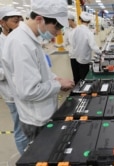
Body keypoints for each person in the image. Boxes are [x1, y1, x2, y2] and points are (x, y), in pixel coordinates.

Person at [2, 0, 75, 143]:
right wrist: (58, 85)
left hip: (43, 112)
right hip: (36, 119)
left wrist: (56, 79)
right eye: (57, 26)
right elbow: (28, 91)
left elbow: (41, 72)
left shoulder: (30, 39)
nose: (59, 32)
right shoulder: (20, 43)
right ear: (40, 19)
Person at [0, 6, 29, 155]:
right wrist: (12, 71)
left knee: (30, 125)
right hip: (11, 93)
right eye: (14, 21)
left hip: (27, 90)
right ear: (2, 22)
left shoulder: (20, 38)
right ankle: (25, 157)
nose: (18, 25)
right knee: (20, 128)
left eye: (19, 21)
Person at [71, 12, 102, 83]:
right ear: (89, 21)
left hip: (76, 56)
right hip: (84, 58)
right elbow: (93, 45)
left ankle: (78, 89)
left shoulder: (75, 30)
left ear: (80, 20)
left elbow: (72, 43)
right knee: (85, 76)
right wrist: (100, 52)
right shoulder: (88, 32)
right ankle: (84, 90)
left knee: (77, 76)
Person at [63, 12, 77, 82]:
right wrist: (61, 45)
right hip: (72, 55)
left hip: (80, 55)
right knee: (75, 73)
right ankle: (77, 89)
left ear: (71, 20)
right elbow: (66, 42)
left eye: (67, 20)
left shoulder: (79, 29)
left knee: (82, 73)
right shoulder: (67, 30)